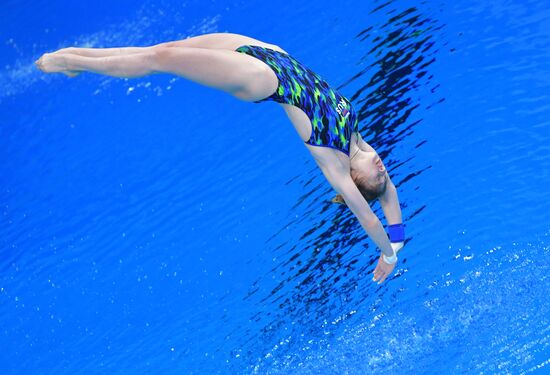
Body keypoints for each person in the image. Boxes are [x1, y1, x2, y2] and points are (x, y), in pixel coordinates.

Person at [35, 32, 405, 284]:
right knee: (169, 46)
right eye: (382, 169)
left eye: (374, 173)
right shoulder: (359, 141)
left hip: (263, 79)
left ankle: (74, 60)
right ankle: (77, 61)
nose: (380, 166)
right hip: (272, 53)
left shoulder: (335, 163)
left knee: (161, 59)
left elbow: (370, 218)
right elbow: (387, 195)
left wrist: (387, 256)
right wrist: (400, 240)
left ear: (354, 178)